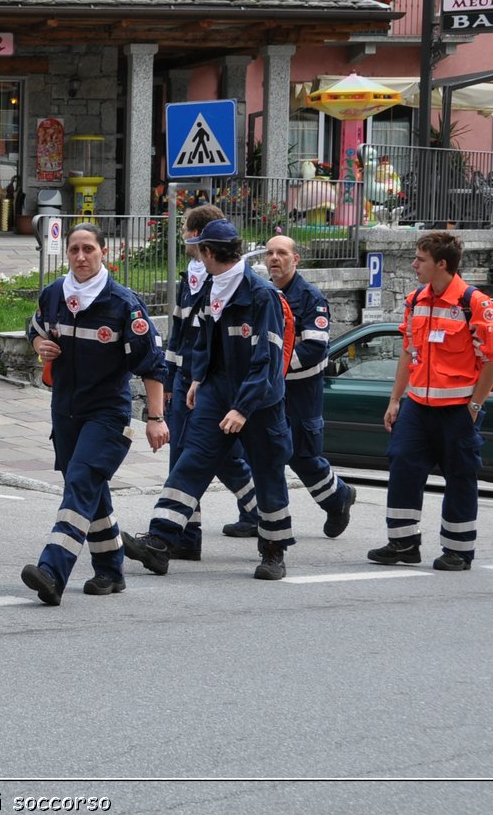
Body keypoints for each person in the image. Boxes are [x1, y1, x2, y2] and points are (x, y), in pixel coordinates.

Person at [122, 218, 295, 581]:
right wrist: (198, 379)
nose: (196, 254)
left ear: (211, 252)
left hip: (259, 401)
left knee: (268, 473)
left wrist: (242, 407)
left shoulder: (261, 295)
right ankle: (160, 541)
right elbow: (203, 340)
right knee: (192, 460)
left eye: (200, 248)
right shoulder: (213, 288)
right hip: (216, 390)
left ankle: (274, 552)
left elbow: (267, 361)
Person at [19, 223, 168, 604]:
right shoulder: (54, 294)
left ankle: (52, 570)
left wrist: (155, 418)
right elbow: (34, 329)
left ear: (105, 252)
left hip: (108, 413)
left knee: (82, 481)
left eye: (89, 249)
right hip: (65, 411)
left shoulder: (123, 303)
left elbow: (152, 364)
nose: (81, 257)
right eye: (74, 250)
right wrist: (40, 343)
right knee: (91, 490)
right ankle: (111, 570)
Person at [369, 232, 493, 571]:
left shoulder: (475, 304)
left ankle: (458, 550)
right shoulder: (416, 299)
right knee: (402, 464)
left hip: (458, 408)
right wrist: (395, 399)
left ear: (441, 264)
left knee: (460, 475)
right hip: (416, 405)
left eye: (420, 259)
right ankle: (402, 543)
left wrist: (474, 406)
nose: (414, 265)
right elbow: (408, 351)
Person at [223, 235, 357, 539]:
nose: (274, 258)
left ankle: (338, 499)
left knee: (301, 455)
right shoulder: (260, 293)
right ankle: (253, 513)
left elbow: (314, 347)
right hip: (268, 389)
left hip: (299, 391)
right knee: (257, 451)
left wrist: (273, 366)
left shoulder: (310, 298)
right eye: (269, 253)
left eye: (281, 253)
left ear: (295, 259)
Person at [163, 205, 258, 561]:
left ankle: (188, 534)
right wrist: (170, 375)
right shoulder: (190, 276)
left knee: (200, 458)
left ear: (198, 237)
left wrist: (194, 377)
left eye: (185, 228)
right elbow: (179, 330)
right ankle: (192, 533)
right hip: (187, 376)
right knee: (202, 457)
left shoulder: (220, 277)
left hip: (206, 380)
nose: (182, 234)